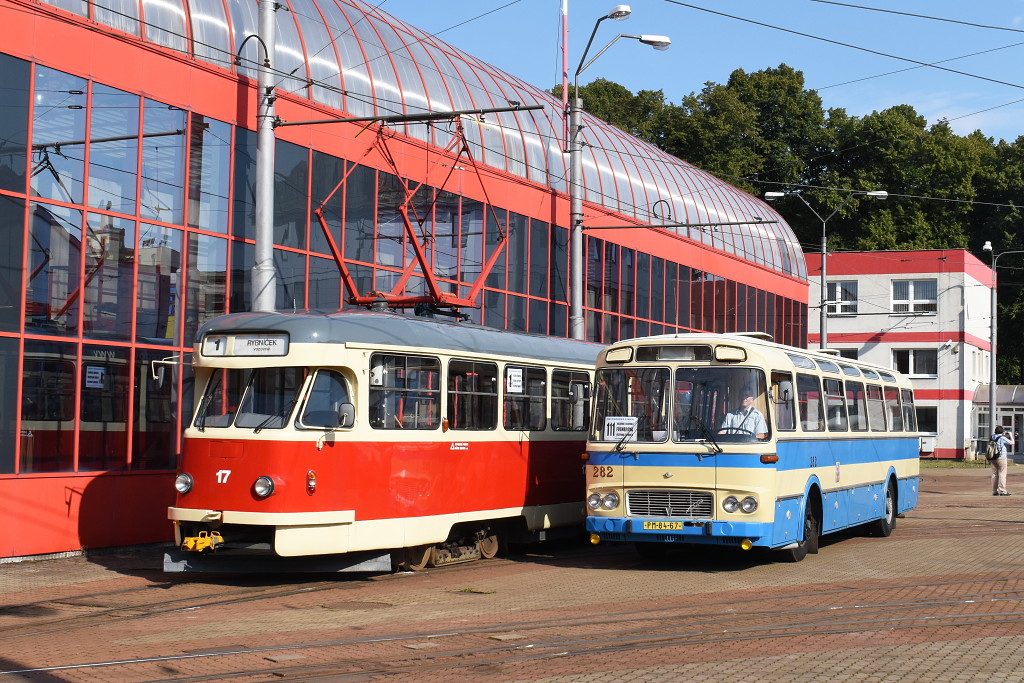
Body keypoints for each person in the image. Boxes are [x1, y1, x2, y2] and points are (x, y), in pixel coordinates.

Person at [991, 426, 1013, 496]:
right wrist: (1011, 435)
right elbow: (1012, 443)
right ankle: (1003, 491)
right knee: (1002, 474)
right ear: (1002, 432)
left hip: (993, 457)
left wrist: (1001, 434)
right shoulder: (1002, 438)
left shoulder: (992, 437)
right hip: (1001, 457)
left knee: (995, 474)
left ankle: (994, 491)